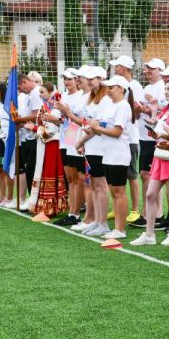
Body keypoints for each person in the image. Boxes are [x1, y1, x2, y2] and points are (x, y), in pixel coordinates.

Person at [130, 79, 169, 247]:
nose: (166, 92)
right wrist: (156, 130)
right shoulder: (167, 109)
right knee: (150, 194)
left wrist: (166, 134)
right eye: (166, 89)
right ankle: (149, 233)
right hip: (160, 154)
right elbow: (161, 128)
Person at [85, 75, 135, 240]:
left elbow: (117, 132)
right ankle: (115, 227)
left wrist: (98, 128)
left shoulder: (122, 106)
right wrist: (94, 128)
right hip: (108, 154)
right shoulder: (112, 106)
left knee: (119, 192)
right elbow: (105, 128)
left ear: (121, 88)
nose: (108, 91)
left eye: (112, 87)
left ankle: (120, 229)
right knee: (114, 192)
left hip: (118, 154)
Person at [69, 67, 110, 236]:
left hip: (99, 146)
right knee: (93, 185)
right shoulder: (91, 98)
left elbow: (97, 126)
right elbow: (88, 124)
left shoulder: (105, 99)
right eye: (89, 78)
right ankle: (97, 220)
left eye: (92, 78)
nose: (90, 81)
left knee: (100, 186)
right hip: (91, 146)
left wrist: (80, 141)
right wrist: (83, 143)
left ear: (101, 78)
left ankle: (103, 223)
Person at [131, 58, 166, 229]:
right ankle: (150, 212)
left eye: (151, 69)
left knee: (151, 175)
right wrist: (139, 109)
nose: (147, 71)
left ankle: (155, 213)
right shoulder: (147, 88)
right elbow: (142, 112)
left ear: (160, 70)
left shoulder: (162, 87)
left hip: (155, 137)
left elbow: (164, 109)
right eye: (146, 69)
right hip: (145, 135)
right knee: (147, 174)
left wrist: (150, 106)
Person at [111, 56, 145, 225]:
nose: (115, 68)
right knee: (118, 174)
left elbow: (137, 112)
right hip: (121, 137)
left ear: (124, 67)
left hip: (130, 137)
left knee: (132, 175)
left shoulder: (135, 86)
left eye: (117, 66)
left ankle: (135, 209)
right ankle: (118, 207)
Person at [54, 69, 89, 227]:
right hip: (67, 137)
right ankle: (72, 212)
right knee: (71, 178)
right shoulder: (64, 95)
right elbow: (65, 120)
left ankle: (77, 212)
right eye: (65, 79)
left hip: (76, 135)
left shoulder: (81, 96)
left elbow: (79, 120)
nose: (67, 82)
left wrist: (65, 114)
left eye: (70, 79)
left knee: (79, 178)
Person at [31, 82, 68, 218]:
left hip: (52, 145)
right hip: (44, 143)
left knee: (49, 174)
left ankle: (51, 207)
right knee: (42, 172)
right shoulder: (45, 106)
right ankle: (43, 205)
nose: (40, 95)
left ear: (50, 92)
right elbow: (40, 123)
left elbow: (51, 130)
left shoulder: (55, 107)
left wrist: (34, 129)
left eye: (42, 92)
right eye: (39, 92)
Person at [11, 71, 43, 207]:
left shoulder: (35, 93)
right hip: (28, 136)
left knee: (32, 170)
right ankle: (32, 199)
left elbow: (37, 115)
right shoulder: (29, 94)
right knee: (29, 170)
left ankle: (34, 200)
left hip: (35, 136)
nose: (20, 90)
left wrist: (19, 120)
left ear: (24, 82)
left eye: (20, 87)